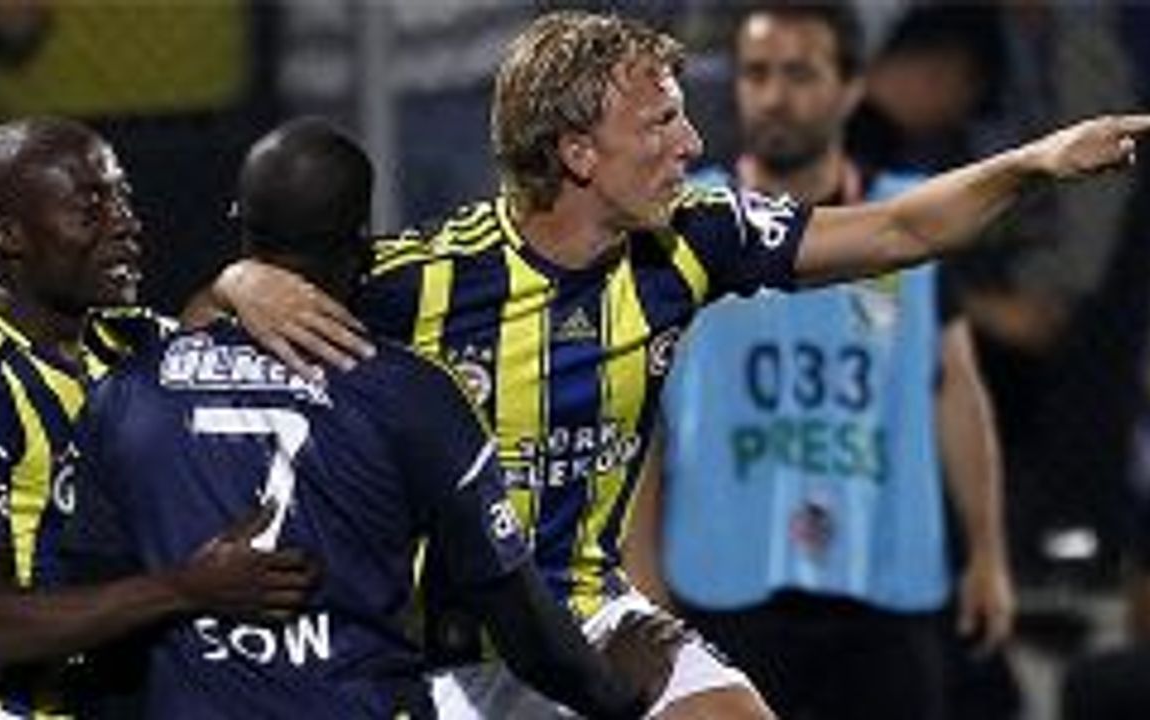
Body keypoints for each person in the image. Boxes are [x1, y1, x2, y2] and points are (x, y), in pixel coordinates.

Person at [210, 11, 1147, 719]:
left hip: (594, 613)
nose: (693, 146)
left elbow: (902, 228)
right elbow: (197, 350)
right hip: (442, 649)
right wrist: (239, 282)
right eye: (660, 122)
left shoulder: (694, 237)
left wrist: (1038, 161)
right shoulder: (424, 280)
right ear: (578, 153)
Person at [67, 117, 680, 719]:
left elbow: (92, 615)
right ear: (364, 240)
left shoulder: (127, 394)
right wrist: (617, 693)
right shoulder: (413, 396)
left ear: (240, 226)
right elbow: (513, 611)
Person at [619, 5, 1013, 720]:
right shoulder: (675, 224)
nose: (774, 95)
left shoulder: (910, 221)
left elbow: (956, 389)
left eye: (799, 73)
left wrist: (987, 553)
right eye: (757, 73)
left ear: (852, 86)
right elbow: (636, 415)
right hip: (725, 583)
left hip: (883, 587)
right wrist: (640, 581)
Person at [0, 117, 317, 718]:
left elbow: (200, 339)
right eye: (91, 209)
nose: (125, 224)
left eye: (123, 199)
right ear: (7, 235)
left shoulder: (117, 340)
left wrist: (238, 282)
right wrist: (187, 587)